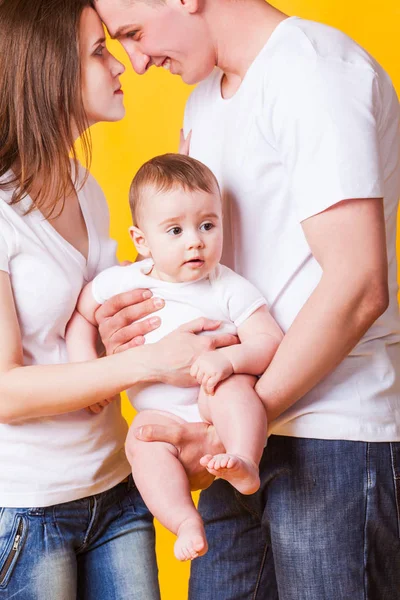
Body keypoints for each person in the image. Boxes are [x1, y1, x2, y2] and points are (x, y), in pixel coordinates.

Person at [91, 0, 400, 597]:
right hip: (237, 436)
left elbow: (359, 285)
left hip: (331, 432)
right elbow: (202, 262)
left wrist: (237, 422)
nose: (137, 59)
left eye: (133, 32)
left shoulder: (312, 72)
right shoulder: (205, 99)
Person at [0, 1, 239, 597]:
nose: (123, 65)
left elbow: (112, 313)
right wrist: (150, 362)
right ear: (46, 69)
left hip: (117, 487)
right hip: (29, 511)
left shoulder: (84, 187)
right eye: (99, 51)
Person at [66, 152, 283, 561]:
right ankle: (184, 520)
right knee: (141, 443)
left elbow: (269, 340)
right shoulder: (121, 281)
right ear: (141, 241)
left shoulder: (226, 286)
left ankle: (243, 459)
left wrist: (229, 361)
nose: (195, 241)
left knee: (231, 389)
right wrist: (89, 370)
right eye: (175, 230)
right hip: (160, 416)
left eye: (207, 225)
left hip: (210, 401)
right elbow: (82, 314)